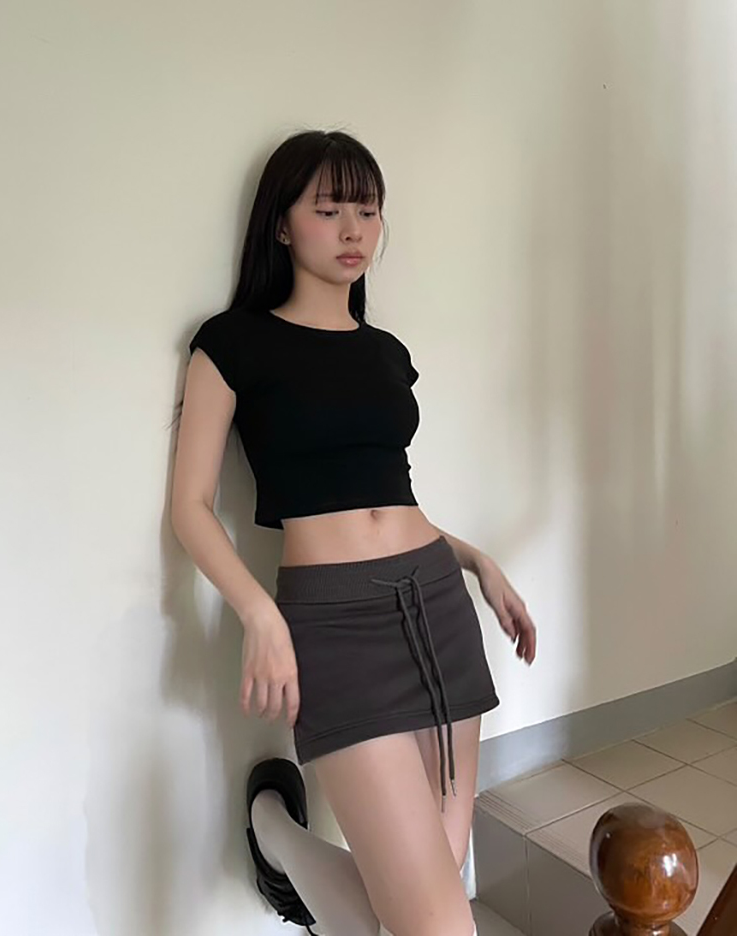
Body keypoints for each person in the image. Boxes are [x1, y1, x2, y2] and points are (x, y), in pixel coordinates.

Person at [171, 129, 537, 936]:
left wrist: (477, 563)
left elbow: (389, 499)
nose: (352, 230)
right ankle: (274, 829)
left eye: (367, 211)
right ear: (281, 224)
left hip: (437, 607)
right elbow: (189, 507)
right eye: (329, 208)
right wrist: (261, 614)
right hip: (334, 624)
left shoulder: (385, 354)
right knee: (437, 925)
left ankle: (274, 832)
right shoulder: (233, 343)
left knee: (415, 910)